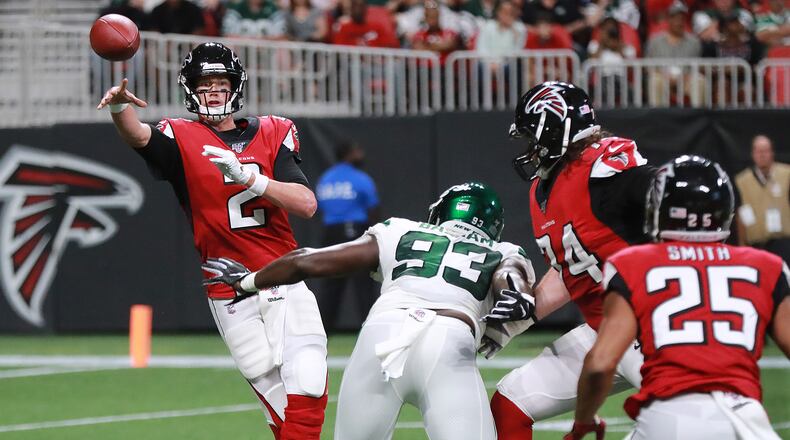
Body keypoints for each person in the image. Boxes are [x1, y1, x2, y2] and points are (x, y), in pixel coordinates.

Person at [95, 42, 327, 439]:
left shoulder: (275, 130)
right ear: (190, 89)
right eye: (205, 84)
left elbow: (306, 204)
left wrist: (250, 178)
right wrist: (119, 107)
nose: (214, 90)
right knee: (276, 402)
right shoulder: (179, 135)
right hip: (227, 287)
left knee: (307, 382)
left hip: (282, 274)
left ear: (235, 86)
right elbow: (137, 135)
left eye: (221, 82)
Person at [203, 182, 549, 440]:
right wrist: (512, 297)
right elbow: (512, 280)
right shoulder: (503, 250)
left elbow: (308, 260)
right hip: (448, 340)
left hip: (381, 335)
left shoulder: (402, 230)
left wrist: (248, 281)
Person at [569, 155, 789, 440]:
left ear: (658, 209)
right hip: (745, 420)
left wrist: (583, 421)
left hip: (669, 418)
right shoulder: (766, 266)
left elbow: (600, 364)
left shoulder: (633, 264)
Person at [490, 81, 657, 440]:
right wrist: (512, 322)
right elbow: (572, 269)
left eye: (532, 137)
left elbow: (667, 192)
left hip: (650, 326)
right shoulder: (543, 190)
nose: (530, 149)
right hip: (604, 330)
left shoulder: (603, 167)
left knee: (677, 423)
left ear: (554, 130)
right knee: (510, 402)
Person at [315, 141, 381, 331]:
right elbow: (373, 208)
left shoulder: (326, 178)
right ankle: (371, 329)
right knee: (364, 286)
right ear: (348, 154)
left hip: (331, 232)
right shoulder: (360, 178)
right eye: (357, 150)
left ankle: (322, 333)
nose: (361, 153)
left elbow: (319, 207)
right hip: (357, 231)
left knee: (331, 287)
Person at [735, 134, 790, 262]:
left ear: (772, 153)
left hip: (782, 242)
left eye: (765, 151)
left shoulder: (786, 174)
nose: (762, 155)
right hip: (756, 245)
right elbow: (740, 214)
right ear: (753, 154)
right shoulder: (742, 180)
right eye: (758, 151)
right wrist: (742, 244)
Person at [645, 1, 705, 107]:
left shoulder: (694, 42)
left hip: (686, 80)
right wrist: (664, 75)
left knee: (699, 80)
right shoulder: (655, 41)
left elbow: (697, 67)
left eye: (682, 18)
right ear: (669, 20)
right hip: (663, 78)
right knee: (655, 80)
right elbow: (648, 67)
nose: (679, 22)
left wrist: (684, 77)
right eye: (675, 18)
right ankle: (657, 119)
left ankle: (697, 118)